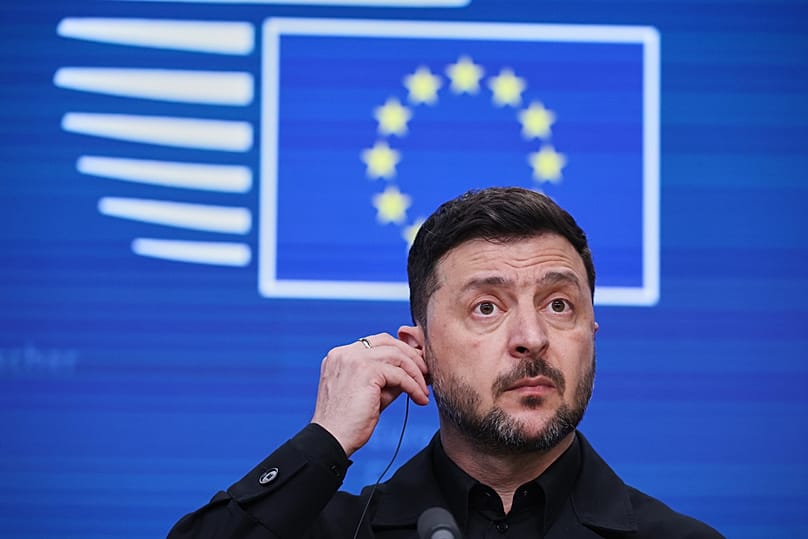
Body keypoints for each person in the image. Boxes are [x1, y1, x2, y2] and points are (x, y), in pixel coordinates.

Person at [168, 187, 724, 538]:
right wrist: (324, 440)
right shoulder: (338, 531)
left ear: (591, 334)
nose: (532, 338)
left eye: (559, 305)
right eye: (486, 307)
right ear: (421, 350)